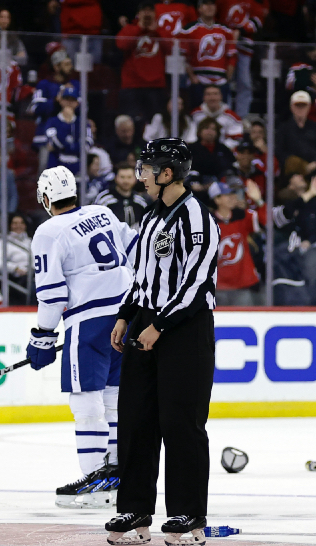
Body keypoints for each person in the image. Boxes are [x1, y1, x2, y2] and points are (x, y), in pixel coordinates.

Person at [106, 139, 218, 546]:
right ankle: (134, 507)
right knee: (136, 420)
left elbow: (196, 281)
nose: (142, 176)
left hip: (186, 331)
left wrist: (161, 324)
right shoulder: (151, 219)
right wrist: (126, 315)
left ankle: (188, 514)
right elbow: (141, 277)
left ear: (167, 173)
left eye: (148, 168)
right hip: (146, 325)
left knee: (181, 423)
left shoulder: (198, 218)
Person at [26, 167, 138, 507]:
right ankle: (119, 476)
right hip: (126, 314)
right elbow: (136, 250)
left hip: (88, 322)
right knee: (115, 399)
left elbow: (52, 296)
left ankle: (96, 481)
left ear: (46, 199)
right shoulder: (102, 212)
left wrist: (42, 336)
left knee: (85, 401)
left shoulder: (48, 231)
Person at [95, 164, 150, 228]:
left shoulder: (140, 201)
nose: (126, 181)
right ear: (116, 178)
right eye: (122, 177)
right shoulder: (104, 199)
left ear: (135, 179)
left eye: (129, 177)